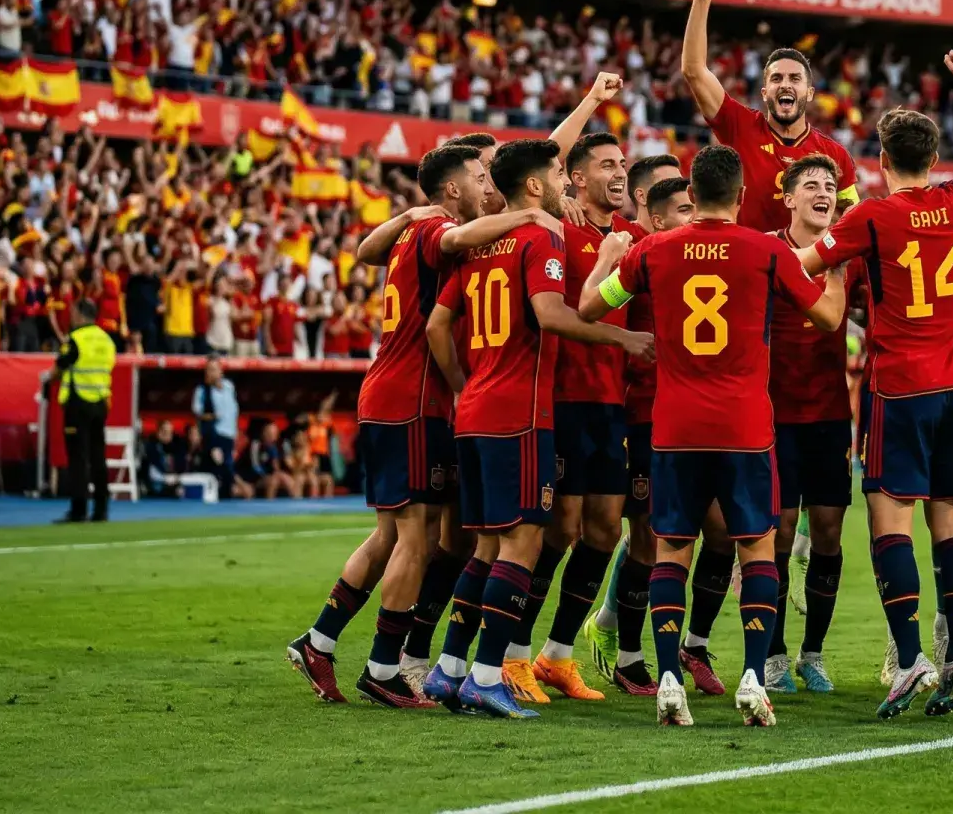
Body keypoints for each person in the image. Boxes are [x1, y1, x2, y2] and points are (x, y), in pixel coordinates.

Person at [580, 143, 846, 728]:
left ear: (692, 195)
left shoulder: (653, 250)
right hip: (745, 427)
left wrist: (605, 259)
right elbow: (827, 318)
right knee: (755, 549)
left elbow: (590, 308)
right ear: (744, 196)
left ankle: (669, 678)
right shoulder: (767, 250)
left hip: (674, 427)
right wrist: (841, 265)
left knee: (672, 549)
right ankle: (754, 676)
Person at [286, 144, 553, 709]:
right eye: (480, 178)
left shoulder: (413, 227)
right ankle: (386, 667)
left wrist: (408, 214)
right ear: (453, 190)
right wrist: (530, 214)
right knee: (417, 539)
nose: (489, 188)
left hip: (391, 394)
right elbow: (454, 242)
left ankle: (320, 639)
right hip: (411, 399)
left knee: (392, 535)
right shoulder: (440, 231)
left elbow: (363, 251)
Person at [801, 50, 953, 720]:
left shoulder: (869, 218)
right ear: (935, 154)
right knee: (951, 522)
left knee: (890, 522)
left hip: (899, 386)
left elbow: (802, 261)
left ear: (883, 157)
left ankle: (912, 656)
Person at [420, 138, 650, 720]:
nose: (565, 185)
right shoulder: (541, 234)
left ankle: (450, 671)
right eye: (558, 174)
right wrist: (622, 338)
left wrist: (462, 384)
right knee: (523, 543)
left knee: (490, 546)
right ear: (536, 184)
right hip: (522, 412)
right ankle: (491, 674)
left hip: (475, 410)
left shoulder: (482, 242)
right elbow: (551, 314)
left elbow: (439, 324)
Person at [588, 173, 697, 696]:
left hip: (696, 417)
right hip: (646, 416)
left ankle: (636, 631)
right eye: (681, 210)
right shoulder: (642, 256)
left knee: (701, 533)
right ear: (652, 217)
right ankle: (630, 653)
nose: (692, 218)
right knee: (649, 537)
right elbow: (591, 306)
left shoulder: (702, 252)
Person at [763, 154, 859, 696]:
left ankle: (813, 654)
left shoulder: (848, 254)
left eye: (831, 185)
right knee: (777, 534)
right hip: (775, 417)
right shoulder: (767, 250)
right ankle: (774, 655)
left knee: (827, 532)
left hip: (828, 416)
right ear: (790, 198)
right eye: (812, 185)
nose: (824, 192)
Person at [680, 0, 857, 233]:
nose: (785, 84)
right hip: (749, 267)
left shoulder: (835, 155)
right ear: (764, 92)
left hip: (804, 272)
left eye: (794, 79)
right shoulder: (740, 125)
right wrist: (702, 0)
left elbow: (851, 221)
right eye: (776, 79)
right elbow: (694, 70)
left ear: (809, 93)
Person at [53, 301, 116, 524]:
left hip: (78, 402)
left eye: (72, 313)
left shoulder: (76, 339)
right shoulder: (107, 340)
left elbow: (61, 364)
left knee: (78, 458)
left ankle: (79, 509)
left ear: (80, 315)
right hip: (100, 402)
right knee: (98, 457)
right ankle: (101, 509)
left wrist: (49, 377)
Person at [193, 359, 240, 495]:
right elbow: (198, 412)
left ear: (221, 372)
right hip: (214, 435)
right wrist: (212, 417)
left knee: (228, 468)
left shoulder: (229, 387)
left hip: (229, 435)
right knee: (217, 467)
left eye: (213, 369)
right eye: (208, 370)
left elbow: (232, 411)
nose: (210, 373)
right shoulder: (203, 390)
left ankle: (227, 501)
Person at [141, 418, 188, 498]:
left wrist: (175, 476)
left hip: (173, 481)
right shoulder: (151, 446)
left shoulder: (177, 445)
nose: (169, 435)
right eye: (165, 432)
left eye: (170, 432)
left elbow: (181, 465)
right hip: (156, 483)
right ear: (159, 433)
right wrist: (165, 478)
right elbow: (153, 468)